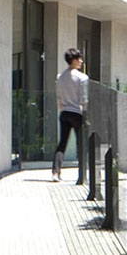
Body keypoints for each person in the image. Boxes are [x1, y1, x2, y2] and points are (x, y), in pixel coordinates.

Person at [53, 48, 88, 180]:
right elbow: (84, 100)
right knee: (81, 144)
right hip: (77, 114)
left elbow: (59, 97)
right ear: (73, 60)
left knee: (62, 143)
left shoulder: (60, 77)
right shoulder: (82, 78)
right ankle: (83, 174)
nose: (81, 61)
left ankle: (55, 172)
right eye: (79, 59)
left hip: (64, 113)